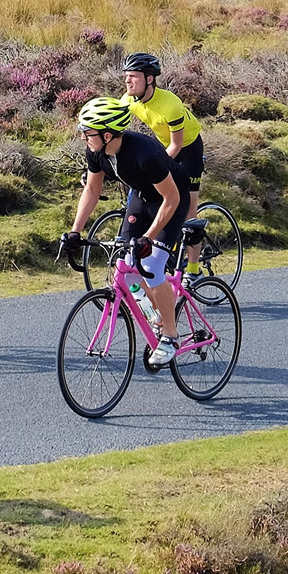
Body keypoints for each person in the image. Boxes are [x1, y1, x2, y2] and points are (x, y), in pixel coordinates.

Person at [58, 97, 192, 369]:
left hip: (172, 200)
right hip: (143, 198)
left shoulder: (144, 153)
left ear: (108, 134)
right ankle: (157, 310)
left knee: (152, 264)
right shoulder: (96, 151)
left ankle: (170, 335)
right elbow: (93, 190)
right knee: (126, 262)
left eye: (88, 132)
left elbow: (172, 199)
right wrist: (75, 231)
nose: (83, 137)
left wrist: (150, 237)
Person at [118, 51, 206, 276]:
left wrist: (156, 169)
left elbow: (176, 146)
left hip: (188, 148)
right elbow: (115, 133)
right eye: (126, 75)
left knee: (189, 211)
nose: (128, 80)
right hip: (163, 145)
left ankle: (193, 268)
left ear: (149, 79)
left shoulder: (171, 105)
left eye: (134, 76)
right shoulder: (128, 100)